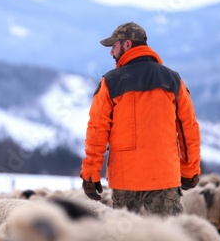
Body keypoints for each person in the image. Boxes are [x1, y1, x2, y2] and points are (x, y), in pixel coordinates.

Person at [80, 22, 201, 217]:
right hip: (165, 181)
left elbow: (97, 132)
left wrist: (90, 175)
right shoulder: (173, 80)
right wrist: (190, 170)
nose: (111, 52)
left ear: (127, 44)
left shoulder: (111, 82)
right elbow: (189, 130)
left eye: (114, 46)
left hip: (126, 184)